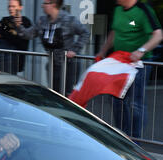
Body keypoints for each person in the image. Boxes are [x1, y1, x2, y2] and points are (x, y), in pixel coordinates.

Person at [96, 0, 162, 139]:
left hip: (139, 63)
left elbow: (158, 35)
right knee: (116, 99)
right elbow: (114, 32)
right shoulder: (118, 9)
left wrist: (141, 51)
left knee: (134, 102)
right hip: (120, 61)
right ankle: (121, 136)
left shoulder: (143, 10)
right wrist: (103, 51)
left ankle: (134, 140)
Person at [15, 0, 90, 95]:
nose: (42, 6)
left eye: (45, 3)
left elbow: (85, 33)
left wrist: (75, 50)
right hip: (53, 64)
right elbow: (28, 35)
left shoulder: (68, 20)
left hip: (69, 65)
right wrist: (18, 26)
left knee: (67, 96)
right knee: (54, 95)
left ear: (53, 4)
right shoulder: (42, 21)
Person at [0, 0, 32, 75]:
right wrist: (4, 33)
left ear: (20, 7)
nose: (10, 9)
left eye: (13, 6)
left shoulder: (25, 22)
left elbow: (19, 41)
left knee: (7, 83)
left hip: (11, 60)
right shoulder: (5, 20)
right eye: (9, 6)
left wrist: (2, 33)